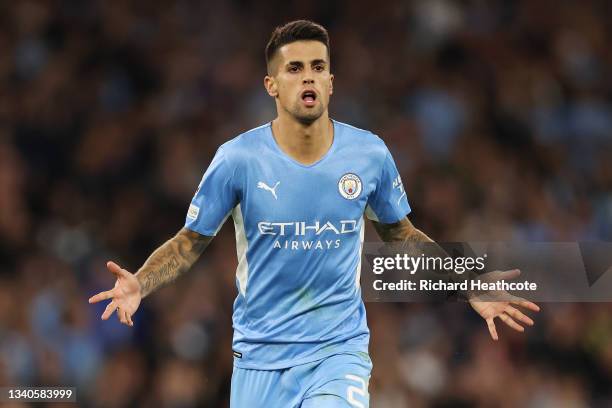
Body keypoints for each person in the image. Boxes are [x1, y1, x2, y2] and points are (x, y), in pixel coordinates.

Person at [89, 20, 539, 407]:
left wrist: (466, 284)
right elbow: (190, 243)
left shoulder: (368, 154)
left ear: (330, 82)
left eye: (318, 67)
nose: (308, 78)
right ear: (272, 85)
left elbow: (402, 235)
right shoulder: (237, 160)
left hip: (337, 350)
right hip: (259, 357)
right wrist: (141, 283)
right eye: (295, 68)